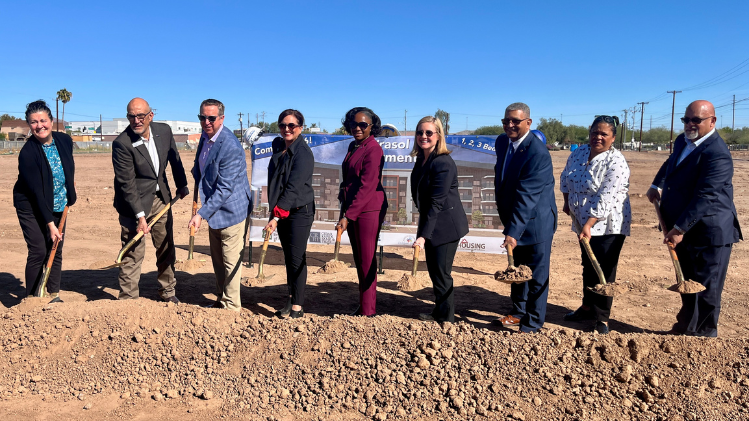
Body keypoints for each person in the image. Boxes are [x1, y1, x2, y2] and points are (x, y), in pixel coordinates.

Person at [646, 100, 742, 337]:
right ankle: (684, 330)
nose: (690, 124)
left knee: (706, 289)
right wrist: (655, 184)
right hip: (684, 228)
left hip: (709, 232)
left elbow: (706, 196)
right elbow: (671, 163)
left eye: (696, 120)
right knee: (686, 283)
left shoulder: (717, 154)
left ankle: (704, 337)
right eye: (686, 119)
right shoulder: (682, 141)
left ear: (712, 121)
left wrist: (678, 229)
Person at [112, 98, 188, 303]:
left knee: (165, 246)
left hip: (160, 198)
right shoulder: (122, 143)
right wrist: (140, 215)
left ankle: (168, 292)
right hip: (132, 204)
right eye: (131, 116)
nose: (136, 120)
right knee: (132, 251)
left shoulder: (163, 131)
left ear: (150, 116)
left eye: (140, 116)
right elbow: (127, 184)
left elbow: (175, 159)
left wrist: (182, 184)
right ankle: (128, 298)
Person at [560, 115, 631, 334]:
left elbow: (606, 197)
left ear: (613, 138)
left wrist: (589, 224)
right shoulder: (579, 153)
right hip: (581, 220)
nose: (597, 137)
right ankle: (587, 306)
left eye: (604, 134)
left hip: (608, 223)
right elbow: (565, 178)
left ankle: (602, 319)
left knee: (603, 269)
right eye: (594, 132)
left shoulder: (616, 161)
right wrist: (566, 203)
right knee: (588, 265)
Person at [493, 102, 557, 333]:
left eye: (515, 121)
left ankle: (533, 321)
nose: (510, 125)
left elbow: (526, 196)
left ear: (528, 123)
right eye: (506, 121)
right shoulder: (502, 142)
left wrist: (513, 231)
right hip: (515, 221)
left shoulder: (537, 153)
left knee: (537, 276)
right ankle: (518, 313)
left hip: (536, 224)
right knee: (517, 272)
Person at [188, 99, 252, 311]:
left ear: (222, 118)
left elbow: (224, 189)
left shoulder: (230, 146)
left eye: (211, 118)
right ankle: (221, 300)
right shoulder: (205, 138)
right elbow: (202, 167)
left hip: (232, 211)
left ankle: (232, 307)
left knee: (230, 261)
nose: (206, 122)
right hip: (214, 210)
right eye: (202, 117)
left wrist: (201, 214)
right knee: (217, 260)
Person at [13, 100, 76, 300]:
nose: (39, 125)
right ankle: (31, 298)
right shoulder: (28, 153)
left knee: (55, 248)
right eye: (33, 122)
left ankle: (53, 293)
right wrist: (50, 224)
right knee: (39, 250)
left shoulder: (64, 140)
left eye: (43, 120)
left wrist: (68, 197)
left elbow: (68, 169)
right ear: (29, 125)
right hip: (30, 205)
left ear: (51, 120)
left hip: (57, 202)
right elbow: (37, 192)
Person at [410, 116, 469, 323]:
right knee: (435, 272)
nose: (423, 136)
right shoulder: (422, 159)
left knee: (442, 274)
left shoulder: (442, 162)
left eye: (429, 133)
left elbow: (436, 203)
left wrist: (423, 235)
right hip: (432, 222)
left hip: (446, 227)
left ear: (438, 136)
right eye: (420, 132)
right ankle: (439, 311)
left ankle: (447, 319)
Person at [337, 107, 388, 316]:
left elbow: (367, 185)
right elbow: (349, 181)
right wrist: (345, 211)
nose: (357, 128)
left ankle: (369, 311)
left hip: (369, 210)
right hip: (353, 209)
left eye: (363, 125)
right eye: (353, 124)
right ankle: (364, 305)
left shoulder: (373, 149)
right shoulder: (353, 146)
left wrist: (349, 215)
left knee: (367, 259)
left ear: (371, 127)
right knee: (358, 258)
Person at [265, 109, 315, 319]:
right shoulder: (279, 147)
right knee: (288, 258)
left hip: (298, 213)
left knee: (296, 258)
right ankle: (291, 298)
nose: (287, 129)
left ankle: (298, 306)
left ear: (300, 128)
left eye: (292, 126)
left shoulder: (303, 154)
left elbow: (293, 188)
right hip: (281, 210)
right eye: (283, 125)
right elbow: (277, 183)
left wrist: (276, 217)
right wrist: (274, 213)